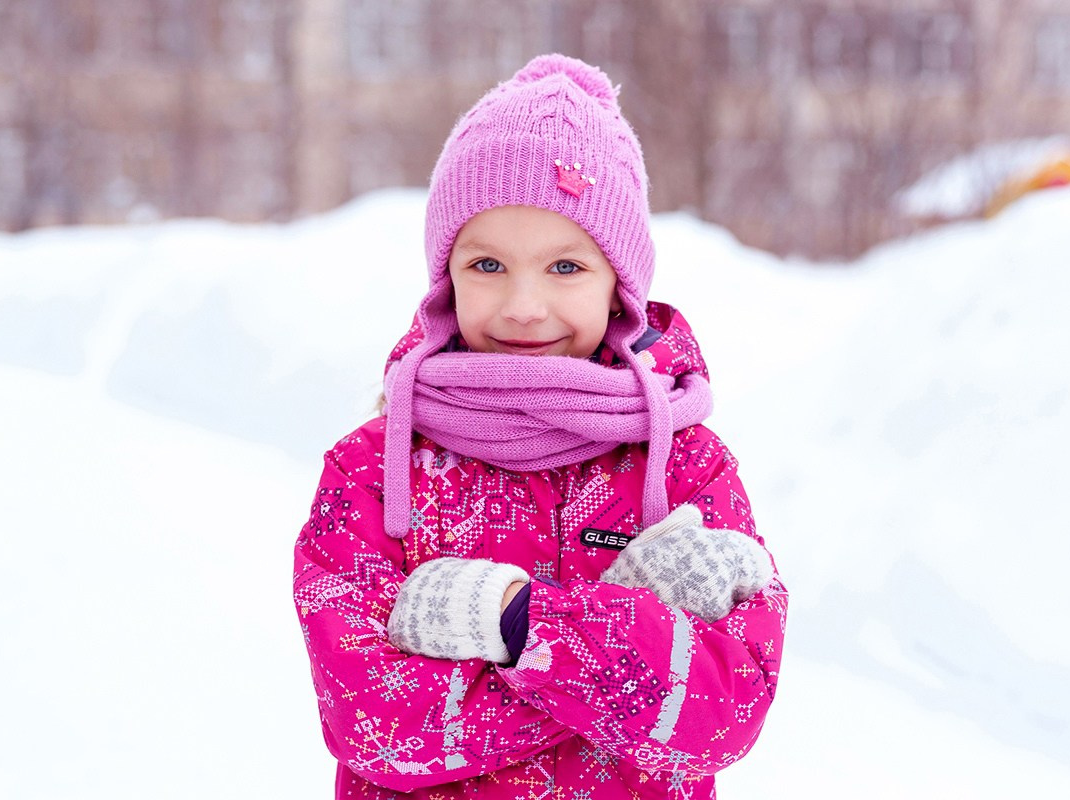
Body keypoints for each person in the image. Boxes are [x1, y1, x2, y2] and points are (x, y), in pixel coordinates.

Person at [293, 53, 788, 799]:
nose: (524, 306)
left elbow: (723, 713)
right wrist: (626, 654)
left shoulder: (688, 469)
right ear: (445, 279)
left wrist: (517, 619)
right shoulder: (369, 473)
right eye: (488, 265)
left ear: (619, 286)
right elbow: (374, 726)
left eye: (565, 268)